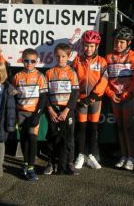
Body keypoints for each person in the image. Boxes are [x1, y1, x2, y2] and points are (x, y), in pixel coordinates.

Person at [105, 26, 134, 171]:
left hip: (129, 97)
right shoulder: (108, 58)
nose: (118, 45)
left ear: (128, 42)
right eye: (116, 41)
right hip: (115, 97)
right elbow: (105, 79)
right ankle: (123, 154)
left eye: (121, 42)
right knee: (120, 127)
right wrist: (110, 93)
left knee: (128, 127)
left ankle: (131, 157)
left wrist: (127, 93)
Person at [72, 30, 108, 170]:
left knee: (93, 129)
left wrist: (92, 97)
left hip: (95, 100)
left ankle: (92, 156)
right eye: (86, 45)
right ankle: (80, 155)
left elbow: (105, 80)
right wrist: (77, 97)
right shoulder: (77, 60)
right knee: (81, 128)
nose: (89, 49)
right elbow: (73, 79)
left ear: (97, 46)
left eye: (92, 46)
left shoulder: (102, 61)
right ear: (82, 45)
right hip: (81, 100)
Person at [12, 48, 48, 181]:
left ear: (36, 61)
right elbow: (13, 96)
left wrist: (38, 115)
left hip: (34, 113)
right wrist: (15, 113)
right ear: (22, 61)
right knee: (23, 138)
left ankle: (32, 168)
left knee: (32, 138)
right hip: (21, 112)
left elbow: (43, 98)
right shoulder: (17, 76)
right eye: (26, 61)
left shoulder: (40, 76)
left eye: (32, 61)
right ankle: (26, 164)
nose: (29, 63)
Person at [44, 43, 79, 175]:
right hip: (53, 110)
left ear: (68, 56)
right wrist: (51, 110)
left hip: (67, 111)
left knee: (69, 138)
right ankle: (50, 163)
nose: (60, 59)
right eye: (58, 56)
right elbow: (45, 95)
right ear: (54, 56)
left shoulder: (72, 73)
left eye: (63, 56)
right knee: (52, 138)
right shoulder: (49, 73)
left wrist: (66, 111)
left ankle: (69, 163)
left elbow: (75, 94)